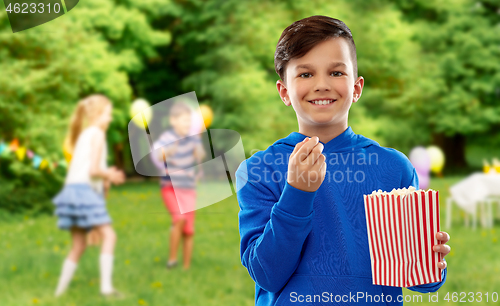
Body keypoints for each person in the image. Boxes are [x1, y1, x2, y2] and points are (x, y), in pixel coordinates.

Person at [235, 15, 451, 305]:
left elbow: (421, 280)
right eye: (305, 74)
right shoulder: (258, 170)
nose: (322, 84)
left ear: (357, 87)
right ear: (284, 92)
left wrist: (429, 261)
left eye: (336, 73)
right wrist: (297, 192)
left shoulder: (394, 167)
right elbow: (267, 274)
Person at [52, 94, 125, 298]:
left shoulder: (84, 135)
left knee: (78, 245)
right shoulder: (98, 135)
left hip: (71, 191)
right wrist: (109, 173)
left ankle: (58, 293)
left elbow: (89, 171)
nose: (110, 119)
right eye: (108, 114)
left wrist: (105, 179)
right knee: (110, 236)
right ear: (97, 114)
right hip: (83, 191)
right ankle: (107, 289)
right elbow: (93, 170)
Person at [153, 101, 205, 270]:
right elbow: (158, 157)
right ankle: (172, 260)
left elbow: (200, 157)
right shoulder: (167, 138)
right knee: (179, 219)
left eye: (189, 121)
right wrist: (167, 151)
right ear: (173, 121)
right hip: (170, 188)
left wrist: (199, 148)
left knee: (189, 229)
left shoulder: (193, 139)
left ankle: (186, 267)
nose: (187, 124)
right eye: (184, 121)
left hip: (188, 189)